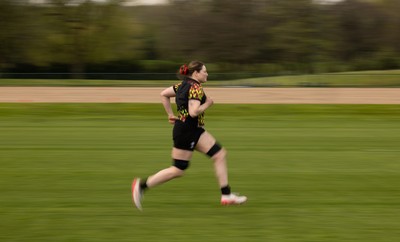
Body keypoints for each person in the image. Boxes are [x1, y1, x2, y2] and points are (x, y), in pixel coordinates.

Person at [132, 60, 247, 210]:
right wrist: (208, 103)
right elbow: (194, 112)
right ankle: (141, 186)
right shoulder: (195, 88)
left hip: (193, 130)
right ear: (196, 73)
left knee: (219, 155)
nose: (207, 74)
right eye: (204, 71)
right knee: (178, 170)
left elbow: (164, 94)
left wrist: (170, 114)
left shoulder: (181, 85)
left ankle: (226, 195)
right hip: (187, 131)